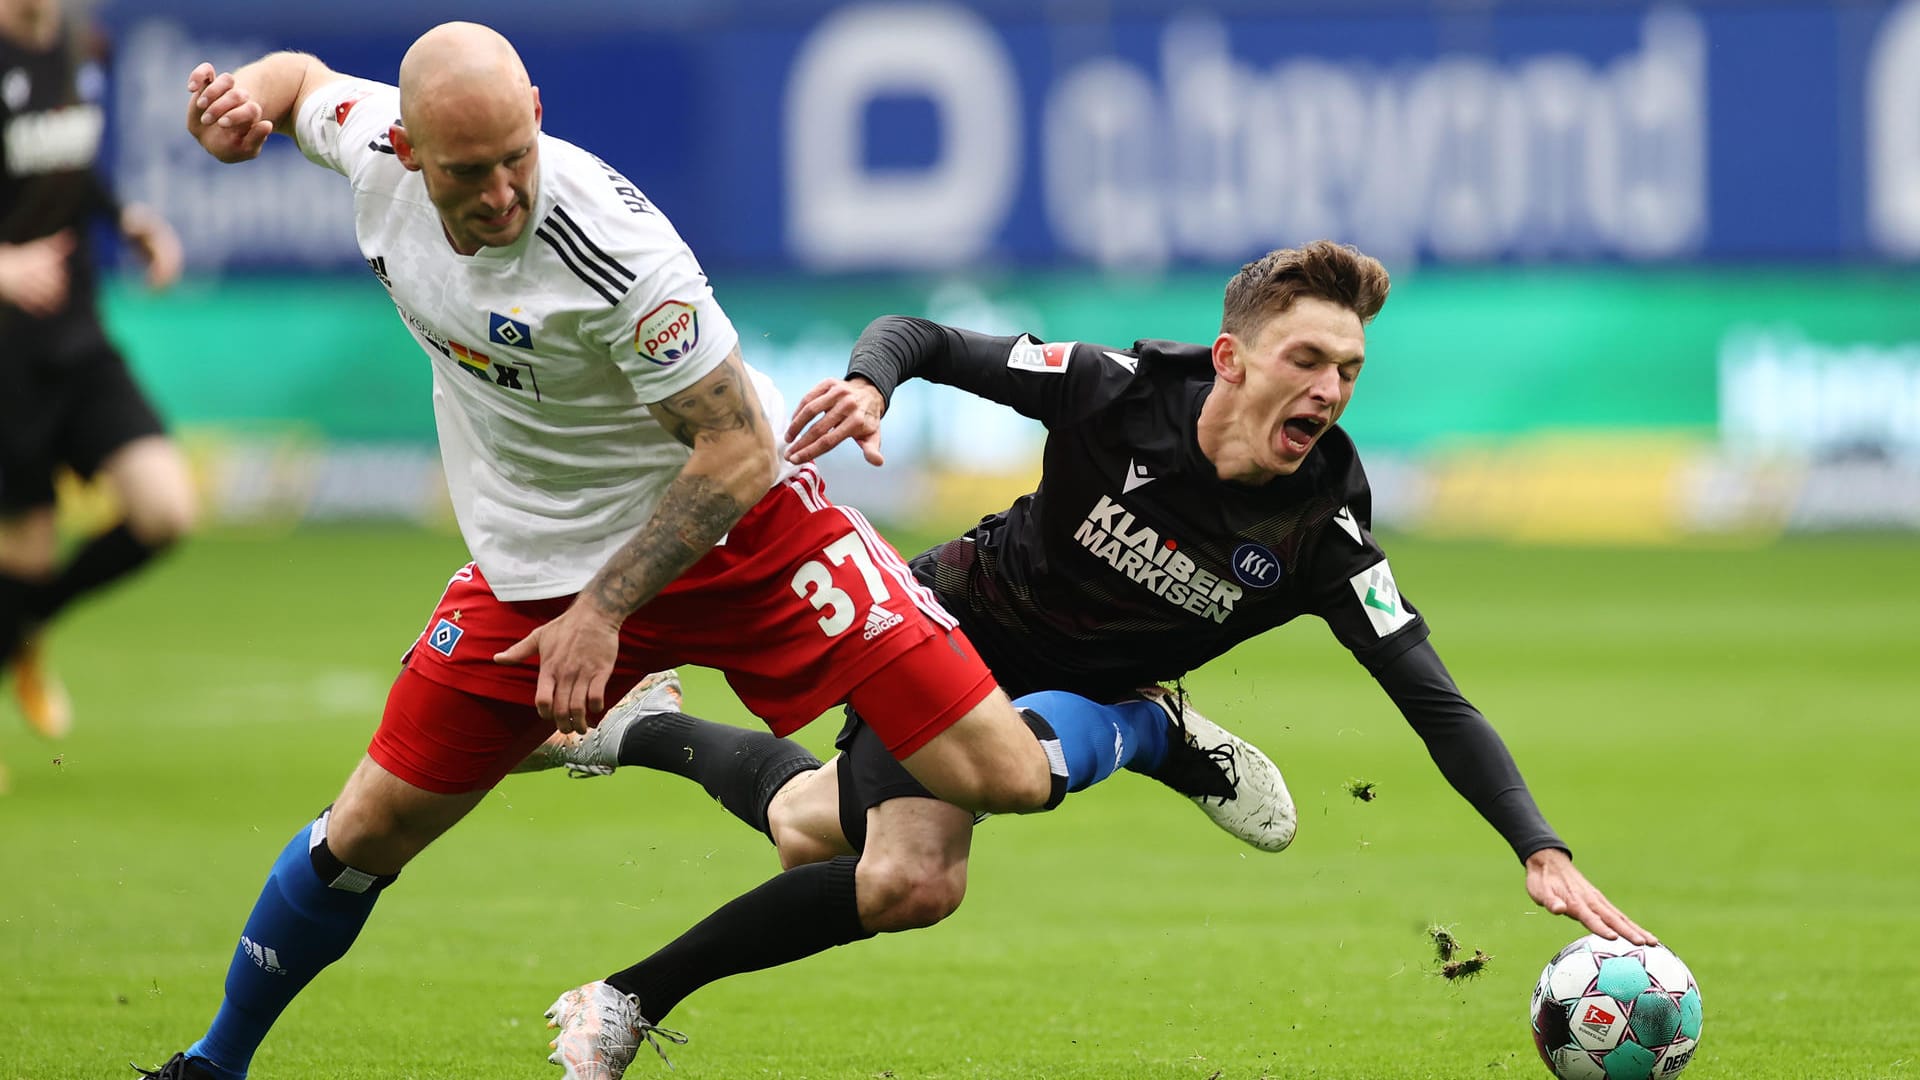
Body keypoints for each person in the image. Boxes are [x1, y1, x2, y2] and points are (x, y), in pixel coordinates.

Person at [140, 22, 1275, 1080]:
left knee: (1001, 780)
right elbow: (298, 84)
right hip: (536, 568)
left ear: (537, 110)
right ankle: (210, 1065)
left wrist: (607, 614)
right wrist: (247, 100)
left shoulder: (616, 251)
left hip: (751, 539)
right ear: (407, 146)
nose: (501, 194)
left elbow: (736, 453)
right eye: (465, 172)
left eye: (516, 156)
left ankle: (1145, 724)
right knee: (368, 829)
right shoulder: (369, 140)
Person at [520, 240, 1656, 1075]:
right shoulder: (1115, 392)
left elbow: (1434, 699)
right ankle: (1154, 733)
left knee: (821, 831)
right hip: (947, 626)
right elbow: (926, 338)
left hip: (1067, 691)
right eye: (1307, 359)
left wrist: (1538, 847)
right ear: (1230, 359)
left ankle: (635, 764)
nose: (1328, 389)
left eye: (1349, 370)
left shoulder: (1326, 535)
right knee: (897, 870)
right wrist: (873, 381)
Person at [0, 0, 193, 760]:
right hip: (7, 352)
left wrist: (127, 217)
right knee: (27, 550)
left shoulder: (82, 45)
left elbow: (67, 169)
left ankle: (20, 623)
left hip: (78, 338)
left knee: (166, 510)